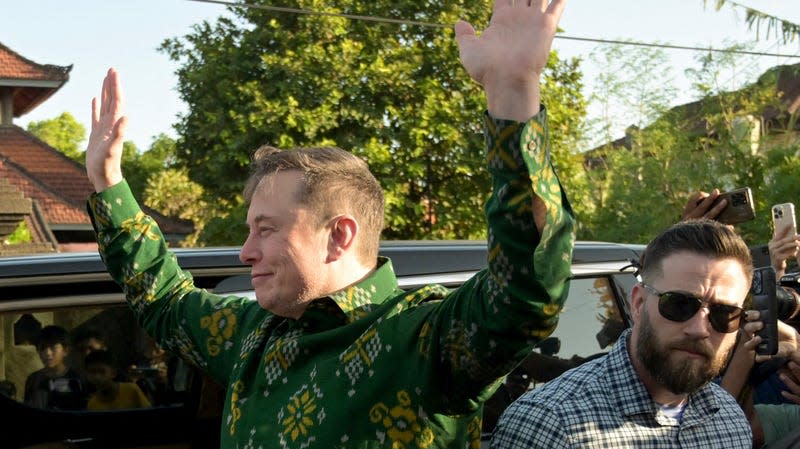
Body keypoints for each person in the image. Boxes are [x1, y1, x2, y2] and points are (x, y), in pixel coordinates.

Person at [83, 0, 575, 446]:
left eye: (267, 229)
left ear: (339, 235)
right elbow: (166, 301)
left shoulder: (423, 339)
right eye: (250, 230)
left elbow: (525, 291)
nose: (245, 252)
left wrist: (513, 92)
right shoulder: (251, 334)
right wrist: (109, 183)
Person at [491, 219, 759, 448]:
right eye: (679, 304)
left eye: (724, 314)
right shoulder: (547, 424)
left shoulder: (729, 418)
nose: (699, 329)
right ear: (638, 304)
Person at [24, 325, 86, 410]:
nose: (47, 353)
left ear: (66, 351)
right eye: (42, 348)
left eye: (53, 347)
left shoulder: (76, 379)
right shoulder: (33, 379)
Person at [84, 349, 151, 411]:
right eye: (92, 372)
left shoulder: (132, 390)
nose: (97, 377)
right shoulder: (92, 404)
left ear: (113, 373)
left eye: (102, 371)